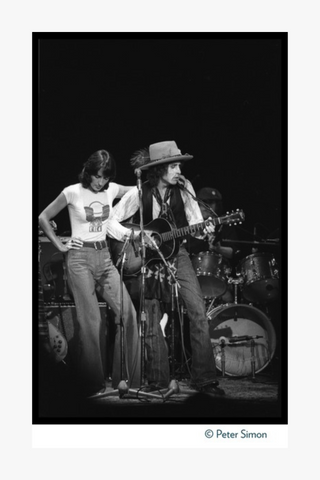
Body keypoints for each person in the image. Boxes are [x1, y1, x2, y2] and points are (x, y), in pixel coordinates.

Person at [107, 140, 225, 396]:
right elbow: (109, 223)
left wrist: (205, 230)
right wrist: (136, 236)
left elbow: (195, 223)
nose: (179, 171)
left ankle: (204, 380)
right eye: (174, 166)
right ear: (159, 170)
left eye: (179, 166)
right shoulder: (139, 192)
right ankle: (158, 381)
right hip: (148, 258)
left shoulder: (185, 188)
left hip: (177, 254)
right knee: (150, 317)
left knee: (197, 310)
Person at [38, 149, 141, 397]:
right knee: (91, 322)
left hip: (104, 257)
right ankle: (93, 385)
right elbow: (43, 217)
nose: (101, 182)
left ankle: (127, 380)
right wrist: (60, 245)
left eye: (105, 177)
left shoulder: (111, 189)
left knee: (128, 313)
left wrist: (143, 176)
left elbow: (138, 190)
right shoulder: (72, 191)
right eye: (97, 176)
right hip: (79, 260)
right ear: (89, 172)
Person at [186, 187, 239, 303]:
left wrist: (217, 249)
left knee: (228, 299)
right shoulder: (189, 224)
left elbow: (232, 252)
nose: (208, 207)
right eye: (205, 203)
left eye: (213, 203)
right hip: (191, 277)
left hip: (219, 280)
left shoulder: (224, 224)